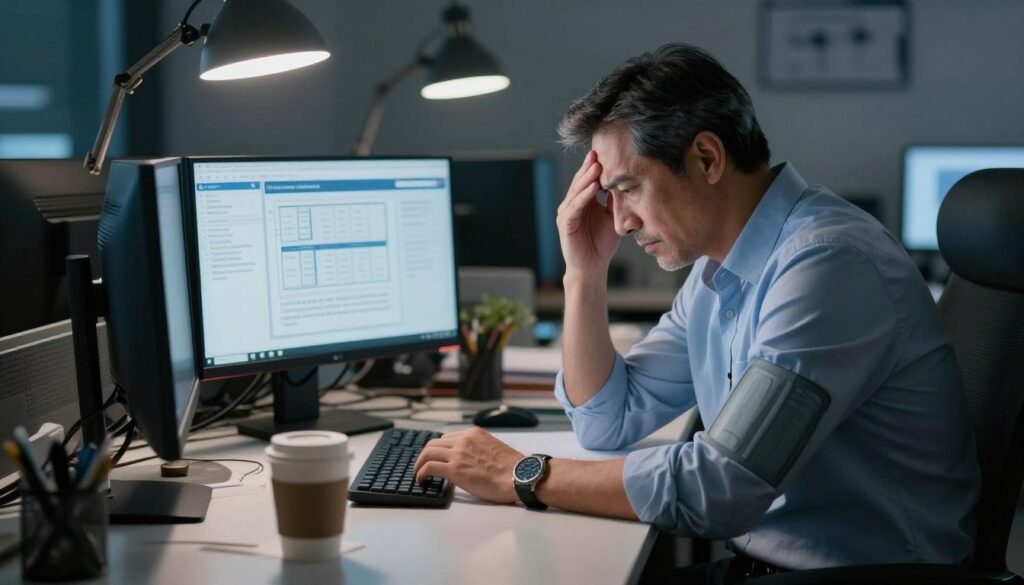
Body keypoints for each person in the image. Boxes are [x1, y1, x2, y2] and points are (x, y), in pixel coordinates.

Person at [414, 43, 978, 582]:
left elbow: (721, 486)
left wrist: (520, 472)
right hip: (769, 565)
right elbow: (607, 421)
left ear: (706, 157)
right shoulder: (719, 271)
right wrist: (583, 274)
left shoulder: (826, 266)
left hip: (863, 579)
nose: (620, 221)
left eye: (629, 188)